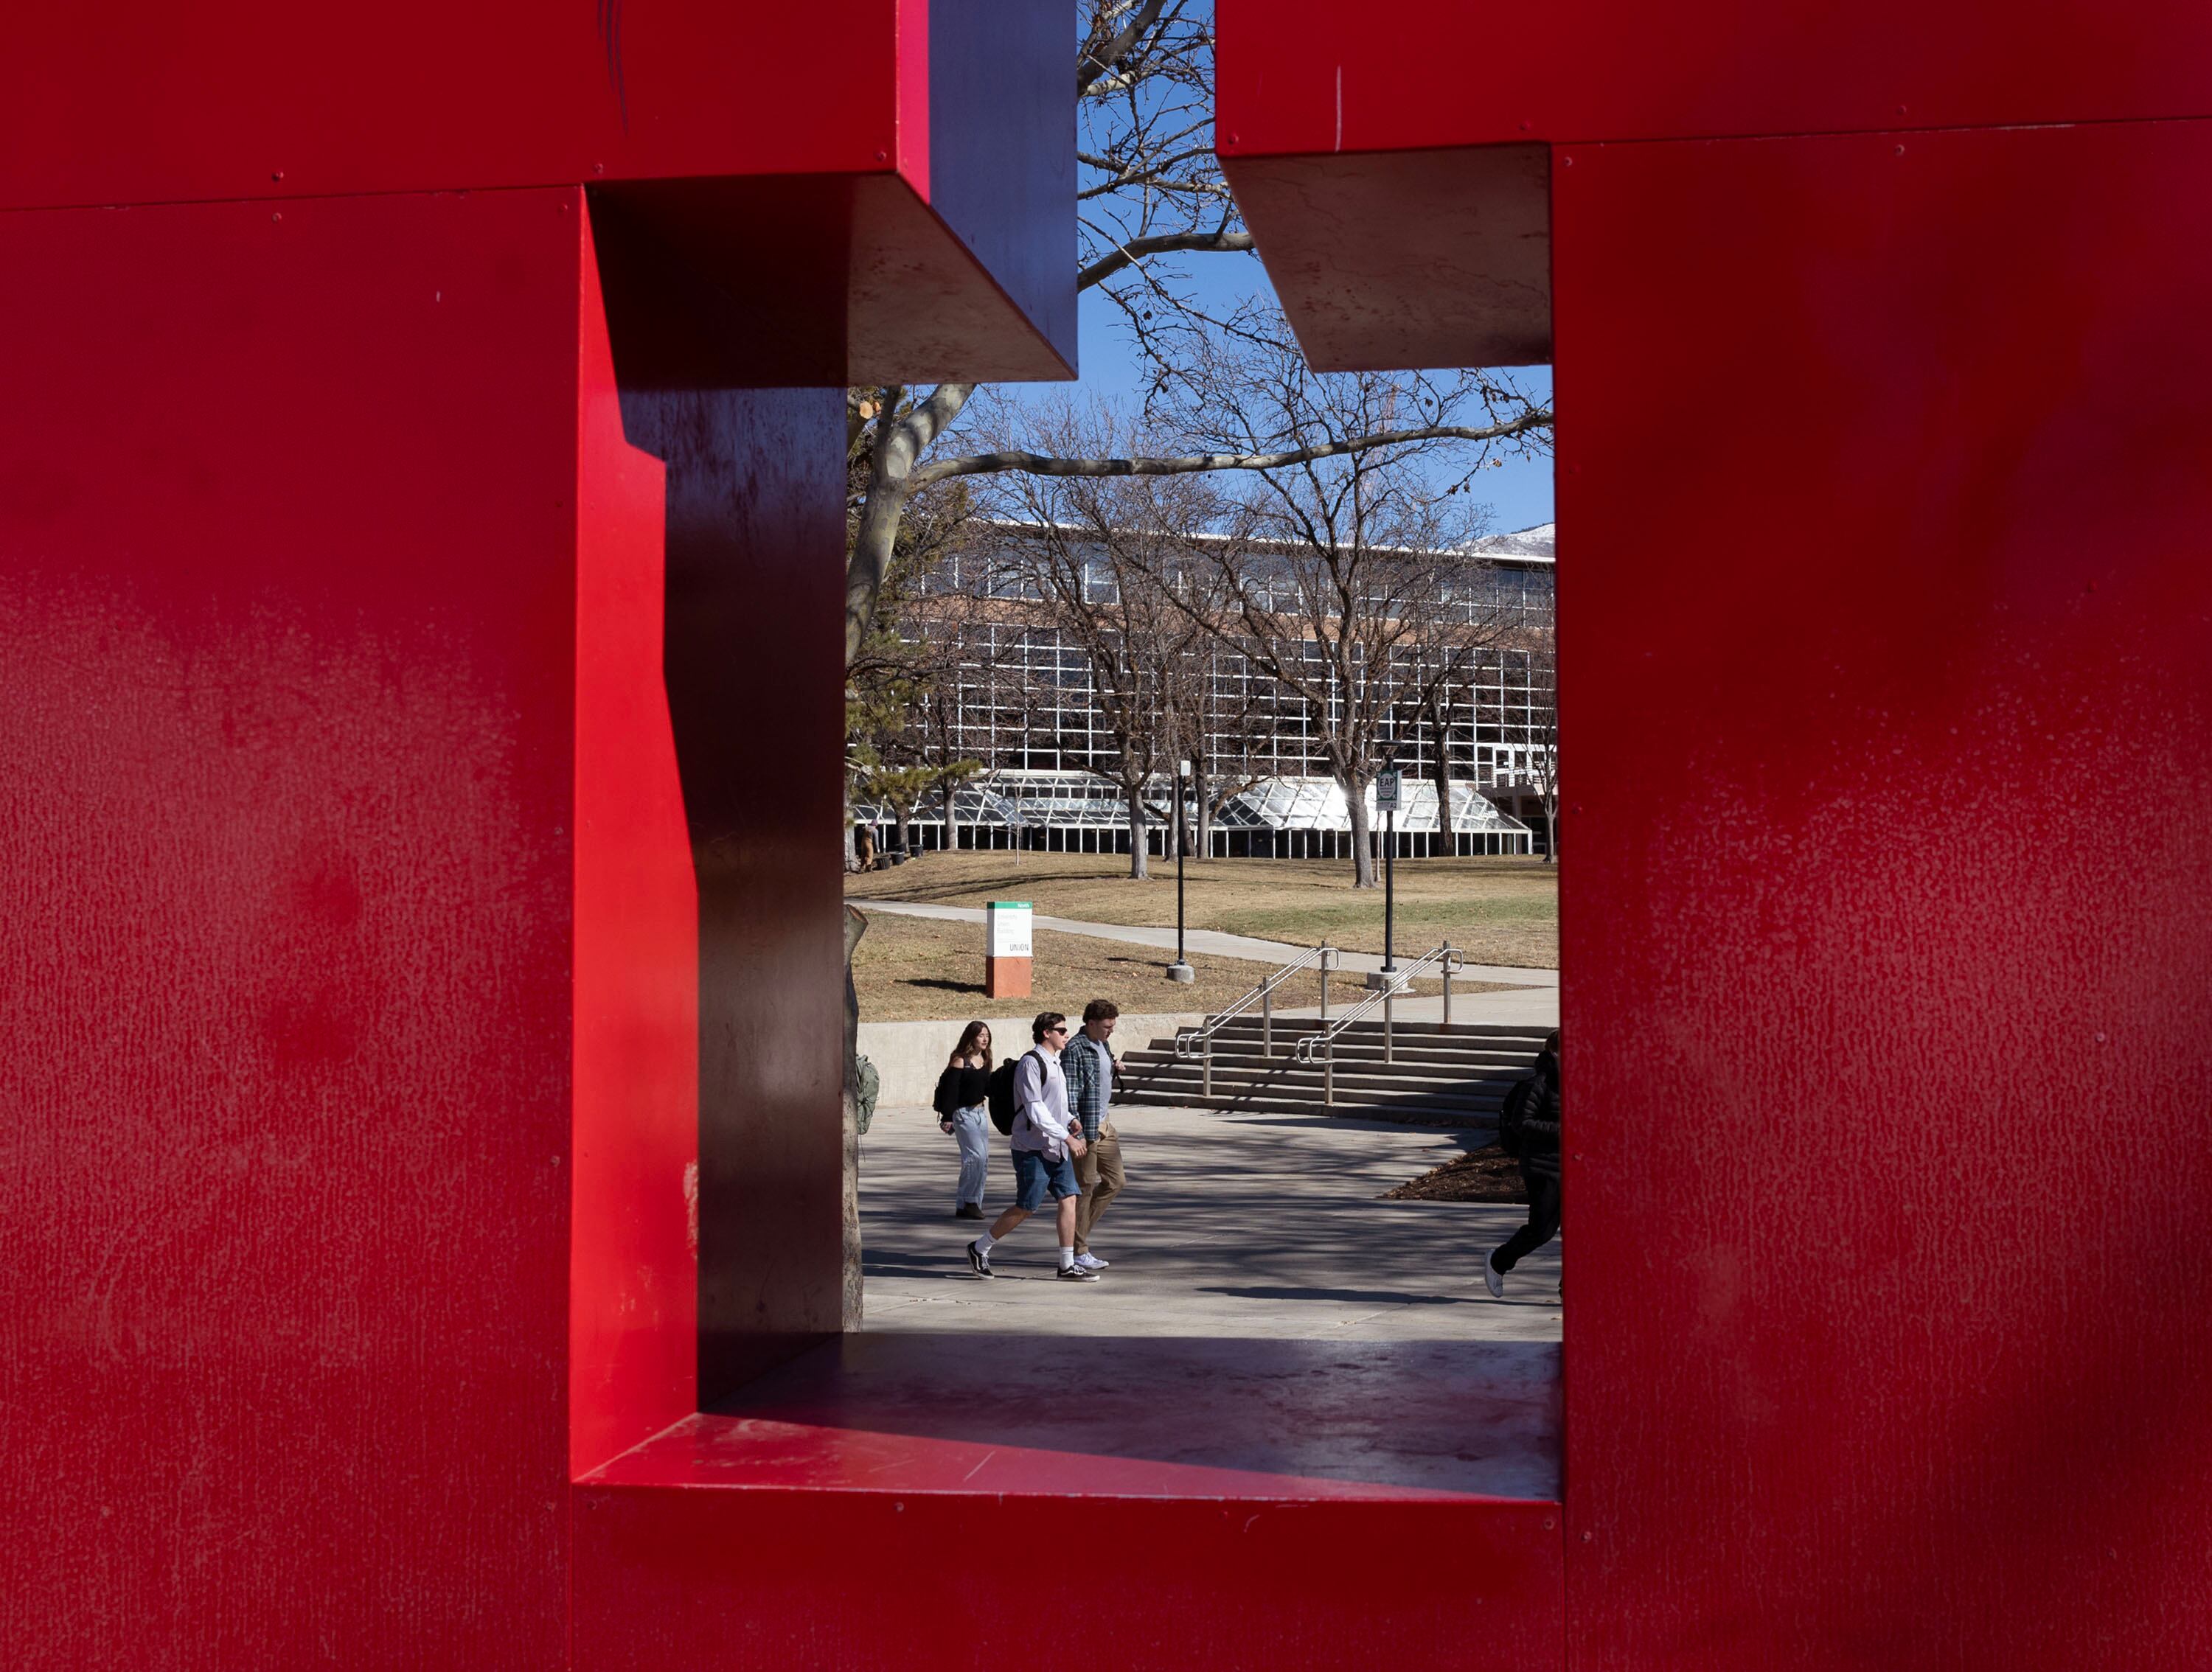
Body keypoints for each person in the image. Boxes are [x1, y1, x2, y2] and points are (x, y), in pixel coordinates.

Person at [966, 1013, 1096, 1281]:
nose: (1066, 1035)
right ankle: (980, 1248)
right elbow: (1035, 1109)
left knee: (1069, 1198)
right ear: (1046, 1033)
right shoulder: (1031, 1063)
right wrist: (1067, 1137)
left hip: (1055, 1147)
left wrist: (1071, 1121)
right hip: (1031, 1149)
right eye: (1061, 1030)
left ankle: (1066, 1264)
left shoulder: (1055, 1063)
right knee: (1026, 1206)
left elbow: (1055, 1107)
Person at [1485, 1027, 1561, 1298]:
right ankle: (1498, 1261)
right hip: (1543, 1167)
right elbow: (1522, 1123)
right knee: (1541, 1231)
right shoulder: (1537, 1084)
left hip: (1578, 1167)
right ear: (1554, 1052)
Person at [1061, 999, 1124, 1272]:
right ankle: (1079, 1250)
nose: (1111, 1031)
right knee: (1085, 1188)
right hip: (1085, 1128)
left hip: (1105, 1125)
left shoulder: (1103, 1044)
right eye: (1107, 1026)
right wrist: (1074, 1128)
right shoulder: (1074, 1049)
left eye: (1112, 1026)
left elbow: (1100, 1075)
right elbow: (1070, 1092)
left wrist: (1114, 1067)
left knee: (1116, 1181)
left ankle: (1080, 1234)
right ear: (1091, 1023)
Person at [932, 1020, 994, 1220]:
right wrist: (948, 1117)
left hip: (979, 1113)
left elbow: (986, 1088)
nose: (985, 1039)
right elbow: (951, 1091)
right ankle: (968, 1201)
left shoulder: (985, 1059)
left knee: (983, 1160)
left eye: (987, 1035)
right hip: (963, 1115)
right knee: (974, 1158)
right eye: (980, 1035)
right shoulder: (960, 1061)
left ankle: (970, 1203)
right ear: (971, 1037)